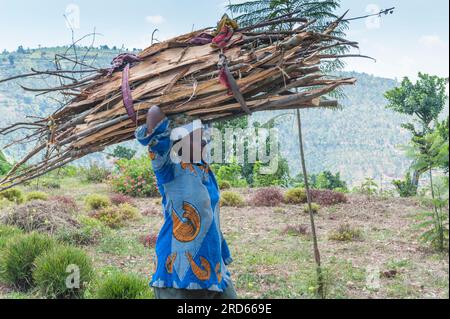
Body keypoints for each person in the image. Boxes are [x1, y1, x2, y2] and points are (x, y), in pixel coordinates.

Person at [135, 105, 237, 299]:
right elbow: (154, 116)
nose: (205, 142)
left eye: (205, 137)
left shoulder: (203, 169)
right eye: (198, 138)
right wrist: (167, 98)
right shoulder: (167, 165)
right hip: (178, 272)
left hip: (213, 267)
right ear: (178, 141)